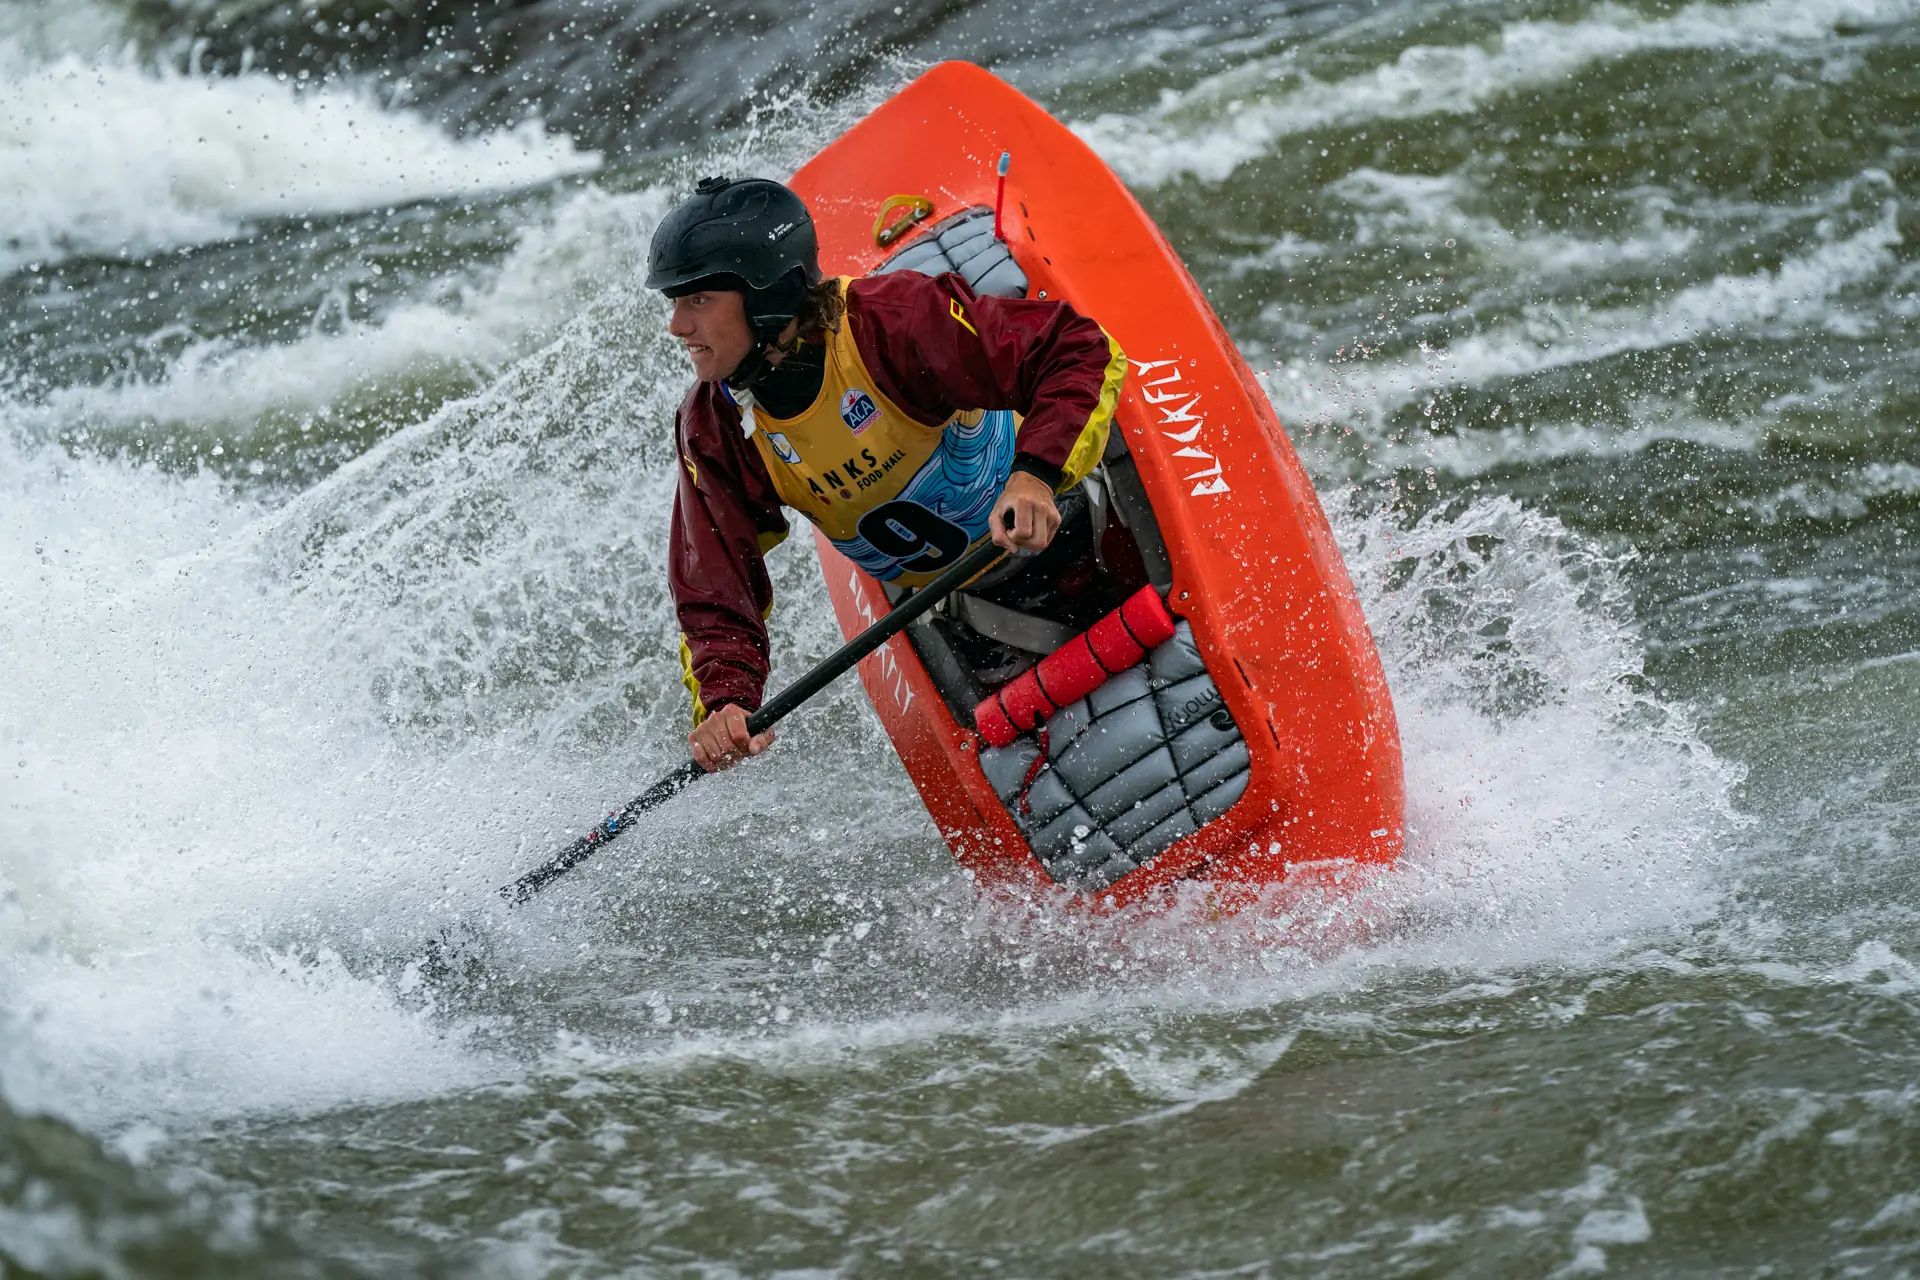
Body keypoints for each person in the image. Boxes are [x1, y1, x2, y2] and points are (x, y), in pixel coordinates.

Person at [650, 176, 1126, 772]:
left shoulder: (892, 325)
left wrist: (1034, 475)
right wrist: (726, 699)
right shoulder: (715, 425)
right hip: (961, 609)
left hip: (1072, 527)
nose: (677, 327)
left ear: (768, 296)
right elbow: (712, 579)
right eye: (675, 303)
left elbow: (1078, 350)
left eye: (697, 301)